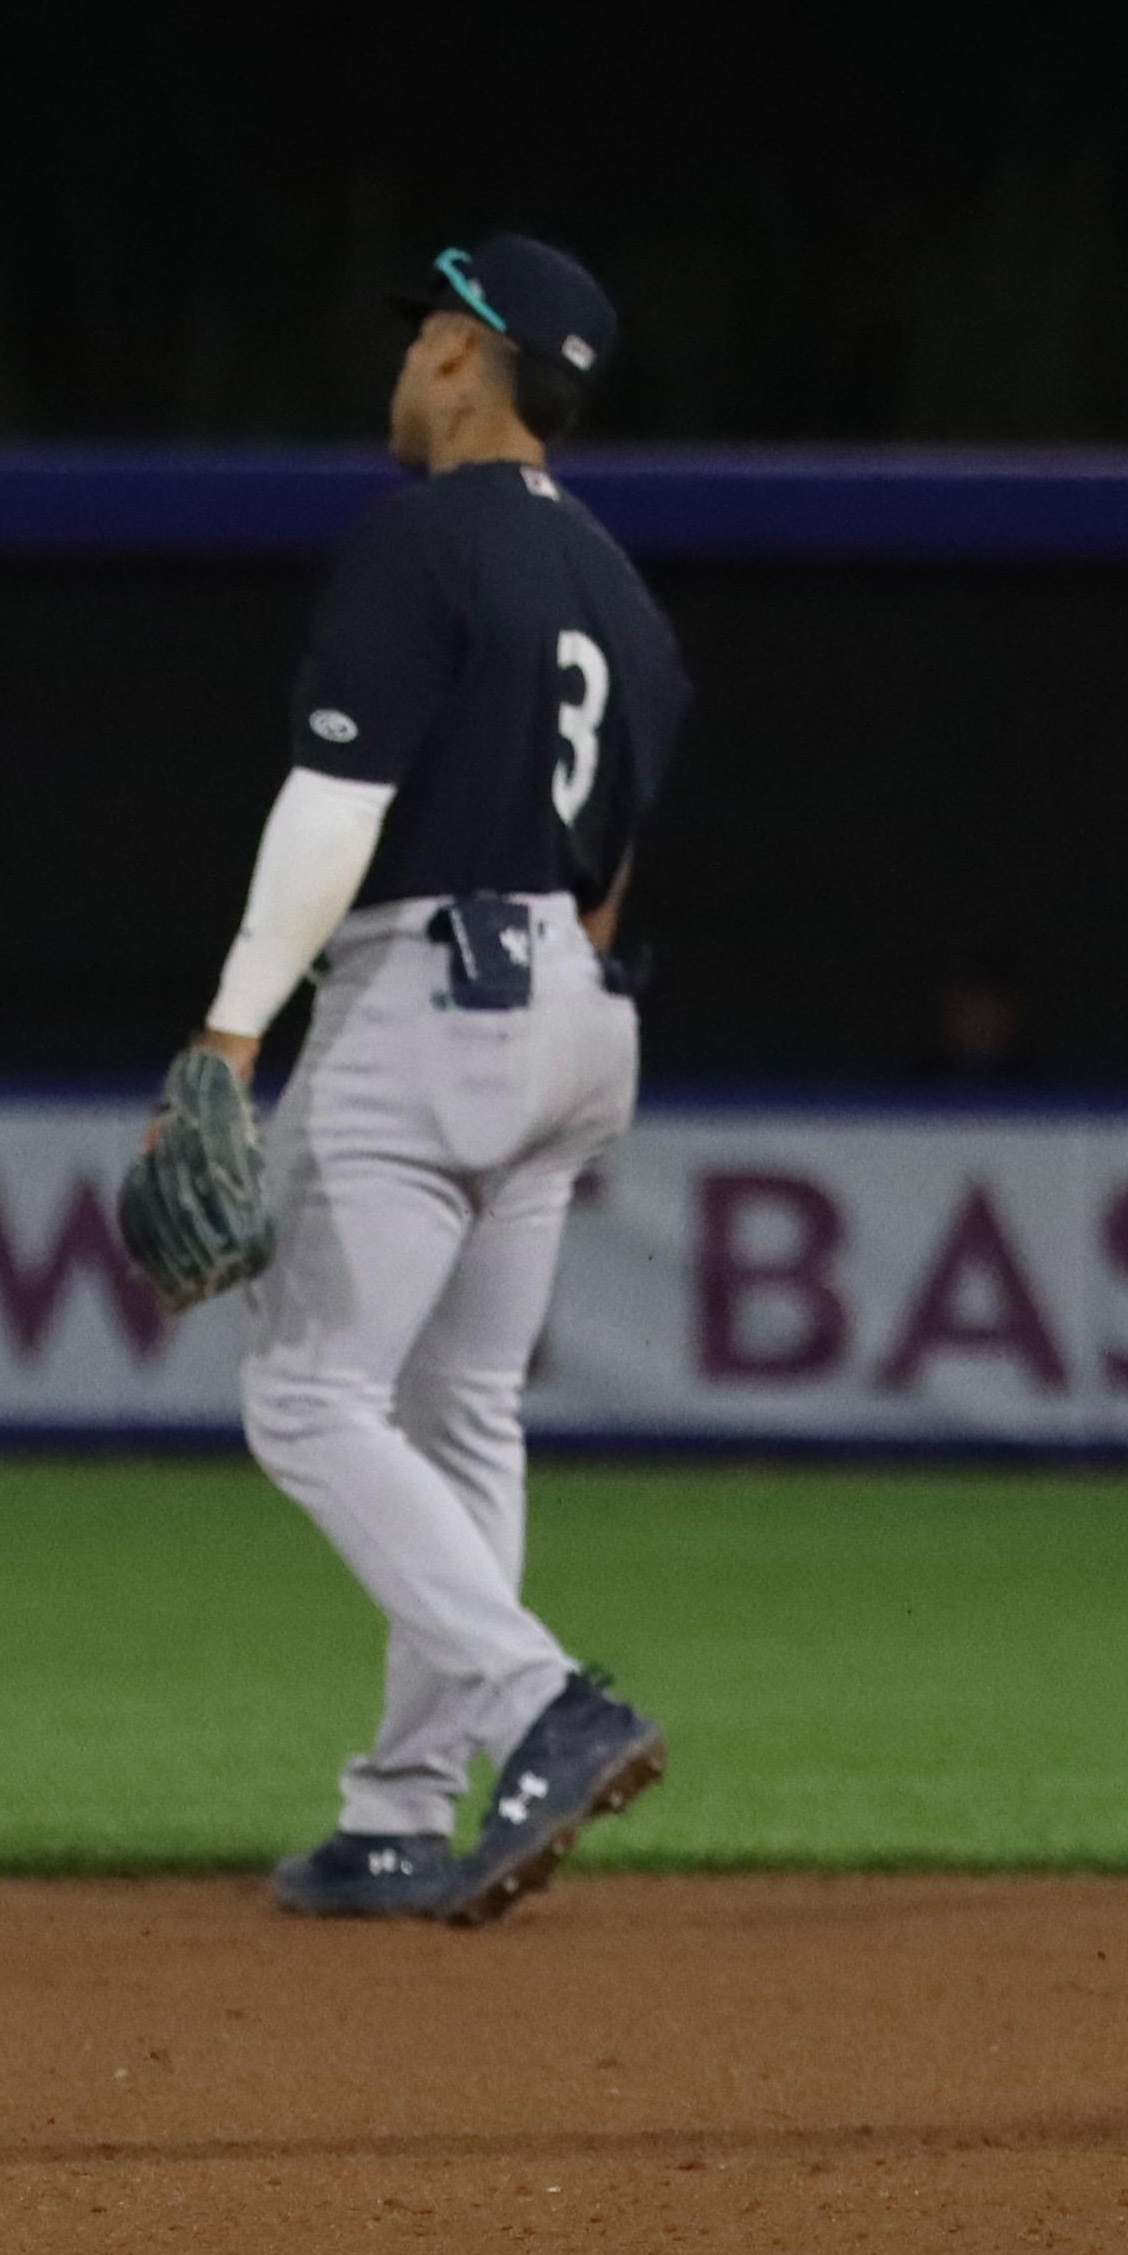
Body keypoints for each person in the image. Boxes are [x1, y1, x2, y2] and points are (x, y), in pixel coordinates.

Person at [175, 235, 691, 1925]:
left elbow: (336, 804)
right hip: (579, 1012)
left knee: (304, 1395)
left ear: (468, 353)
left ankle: (541, 1702)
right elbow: (613, 866)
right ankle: (398, 1808)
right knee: (463, 1410)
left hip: (430, 990)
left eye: (424, 334)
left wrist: (230, 1031)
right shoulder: (622, 592)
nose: (405, 362)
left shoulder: (419, 541)